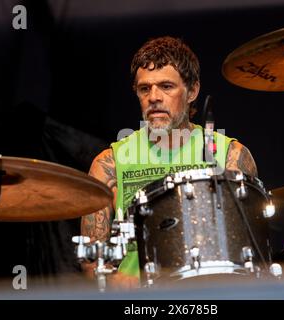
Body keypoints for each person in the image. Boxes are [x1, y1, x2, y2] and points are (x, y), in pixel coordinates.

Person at [80, 36, 258, 289]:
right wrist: (115, 280)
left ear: (192, 91)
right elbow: (89, 258)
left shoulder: (230, 155)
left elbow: (250, 251)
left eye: (166, 86)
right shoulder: (110, 163)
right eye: (144, 89)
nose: (154, 97)